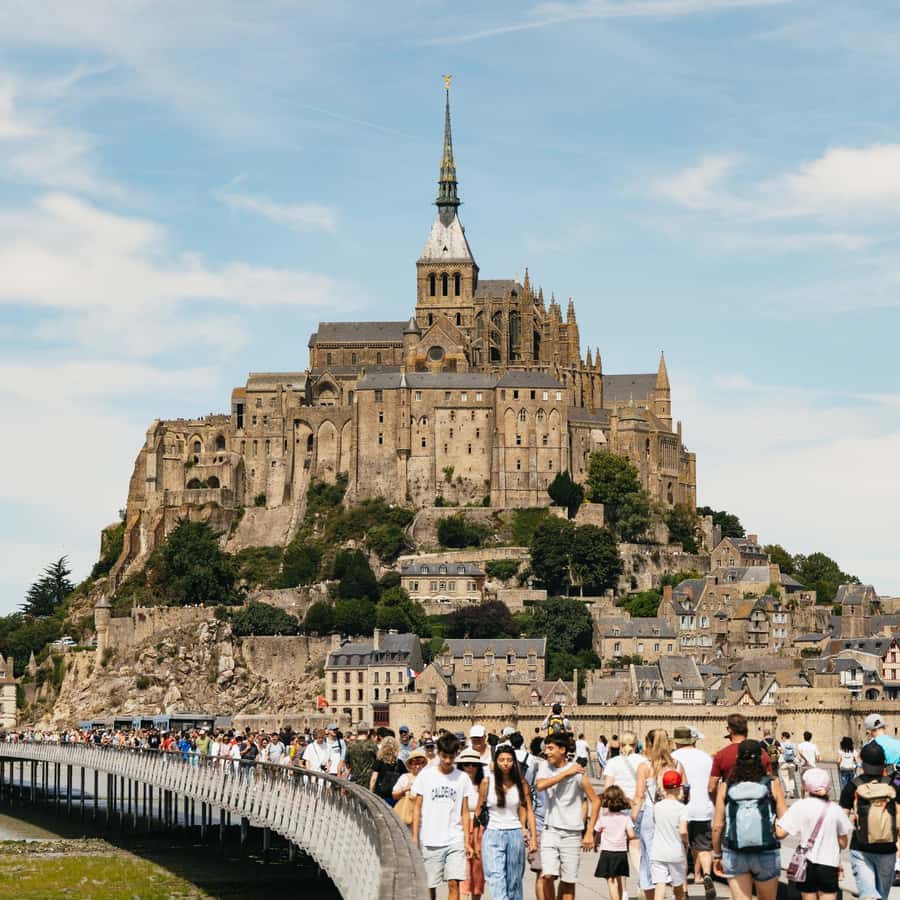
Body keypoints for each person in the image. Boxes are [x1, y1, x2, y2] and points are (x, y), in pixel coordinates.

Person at [712, 739, 787, 900]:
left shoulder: (726, 786)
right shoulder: (772, 784)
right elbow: (786, 820)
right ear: (760, 758)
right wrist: (778, 832)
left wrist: (717, 855)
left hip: (735, 851)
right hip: (766, 851)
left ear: (738, 759)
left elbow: (717, 825)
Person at [411, 732, 478, 900]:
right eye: (444, 756)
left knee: (454, 883)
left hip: (454, 838)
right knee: (430, 885)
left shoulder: (462, 778)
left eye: (451, 756)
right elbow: (417, 807)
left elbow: (464, 811)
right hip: (431, 839)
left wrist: (466, 841)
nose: (448, 761)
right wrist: (414, 837)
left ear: (457, 754)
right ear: (438, 753)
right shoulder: (426, 776)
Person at [535, 733, 600, 900]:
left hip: (571, 833)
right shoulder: (545, 767)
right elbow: (540, 785)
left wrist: (589, 831)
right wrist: (565, 773)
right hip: (550, 830)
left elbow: (596, 800)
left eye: (551, 748)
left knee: (568, 881)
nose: (547, 752)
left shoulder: (578, 774)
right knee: (547, 875)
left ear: (562, 750)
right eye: (546, 748)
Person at [776, 767, 851, 900]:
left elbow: (780, 833)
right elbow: (843, 843)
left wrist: (774, 820)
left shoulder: (800, 806)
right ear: (828, 787)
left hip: (806, 863)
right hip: (829, 863)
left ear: (805, 787)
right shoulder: (836, 809)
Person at [839, 740, 899, 900]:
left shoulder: (853, 786)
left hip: (861, 848)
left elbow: (840, 821)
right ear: (883, 763)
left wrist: (835, 853)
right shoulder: (894, 785)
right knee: (881, 896)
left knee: (868, 895)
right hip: (888, 850)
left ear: (862, 762)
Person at [633, 731, 687, 900]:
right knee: (676, 857)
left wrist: (632, 819)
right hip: (673, 813)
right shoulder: (677, 765)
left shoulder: (644, 766)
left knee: (649, 860)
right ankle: (679, 892)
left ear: (648, 744)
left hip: (651, 814)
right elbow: (684, 792)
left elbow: (639, 796)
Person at [479, 744, 537, 900]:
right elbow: (479, 810)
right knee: (495, 879)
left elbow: (529, 810)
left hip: (515, 834)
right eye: (502, 760)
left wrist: (533, 838)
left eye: (509, 760)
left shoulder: (521, 783)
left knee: (514, 882)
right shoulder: (487, 782)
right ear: (496, 762)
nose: (506, 763)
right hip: (492, 833)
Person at [672, 726, 717, 900]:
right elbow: (713, 784)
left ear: (676, 741)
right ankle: (706, 875)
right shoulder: (706, 757)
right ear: (693, 740)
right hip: (703, 808)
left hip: (681, 808)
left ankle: (683, 890)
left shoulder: (673, 758)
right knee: (704, 849)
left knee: (681, 851)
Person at [603, 730, 647, 888]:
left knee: (619, 851)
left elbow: (608, 789)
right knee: (636, 848)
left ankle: (623, 893)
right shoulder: (644, 761)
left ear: (620, 745)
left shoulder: (613, 762)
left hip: (618, 809)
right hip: (639, 807)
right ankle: (644, 881)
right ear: (636, 745)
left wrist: (604, 814)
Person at [708, 714, 772, 798]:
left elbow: (711, 788)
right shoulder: (762, 753)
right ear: (746, 730)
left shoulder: (721, 755)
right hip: (759, 806)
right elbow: (770, 780)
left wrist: (719, 803)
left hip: (731, 806)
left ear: (729, 730)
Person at [650, 769, 689, 900]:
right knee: (678, 887)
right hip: (675, 852)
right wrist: (686, 842)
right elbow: (683, 831)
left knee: (659, 886)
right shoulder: (682, 808)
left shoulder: (657, 807)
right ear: (679, 787)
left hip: (658, 851)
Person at [594, 785, 635, 900]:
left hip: (607, 852)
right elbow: (631, 835)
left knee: (611, 882)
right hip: (621, 853)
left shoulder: (603, 818)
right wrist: (625, 837)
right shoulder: (626, 817)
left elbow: (597, 833)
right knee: (619, 880)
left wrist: (596, 843)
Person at [457, 748, 487, 900]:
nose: (469, 767)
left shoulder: (483, 785)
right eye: (466, 764)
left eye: (473, 764)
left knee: (477, 874)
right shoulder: (455, 784)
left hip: (479, 831)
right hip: (460, 829)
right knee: (462, 874)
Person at [393, 748, 429, 827]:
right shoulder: (404, 777)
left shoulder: (428, 778)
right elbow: (394, 795)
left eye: (420, 763)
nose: (417, 766)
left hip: (424, 819)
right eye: (414, 763)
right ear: (410, 764)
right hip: (408, 817)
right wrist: (405, 789)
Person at [370, 736, 407, 807]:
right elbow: (405, 778)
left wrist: (371, 792)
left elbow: (374, 779)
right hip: (395, 796)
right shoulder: (399, 763)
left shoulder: (379, 762)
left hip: (381, 795)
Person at [779, 731, 799, 799]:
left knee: (785, 778)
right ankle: (792, 792)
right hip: (792, 763)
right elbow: (795, 754)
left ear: (784, 737)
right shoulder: (793, 744)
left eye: (781, 736)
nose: (781, 738)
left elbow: (780, 753)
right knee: (791, 778)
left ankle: (787, 790)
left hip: (783, 763)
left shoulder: (781, 744)